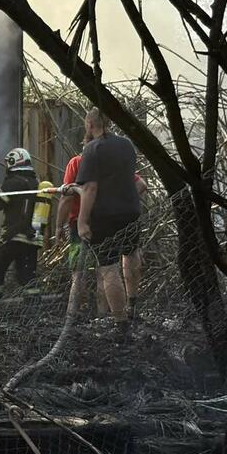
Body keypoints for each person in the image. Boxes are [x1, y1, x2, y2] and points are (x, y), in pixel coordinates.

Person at [56, 132, 147, 318]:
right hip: (108, 221)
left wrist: (59, 226)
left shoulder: (76, 162)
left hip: (80, 225)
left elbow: (66, 199)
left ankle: (72, 316)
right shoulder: (113, 165)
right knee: (104, 270)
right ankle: (103, 315)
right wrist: (117, 201)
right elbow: (141, 185)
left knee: (79, 273)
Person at [74, 108, 142, 334]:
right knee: (131, 254)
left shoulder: (92, 149)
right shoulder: (127, 145)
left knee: (108, 268)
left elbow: (90, 188)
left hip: (105, 217)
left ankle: (121, 323)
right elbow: (132, 180)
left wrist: (82, 222)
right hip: (131, 211)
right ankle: (133, 304)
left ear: (90, 124)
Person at [0, 148, 42, 304]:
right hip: (32, 238)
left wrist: (1, 189)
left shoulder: (12, 183)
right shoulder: (36, 183)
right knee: (28, 276)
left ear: (12, 162)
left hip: (13, 237)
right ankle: (33, 309)